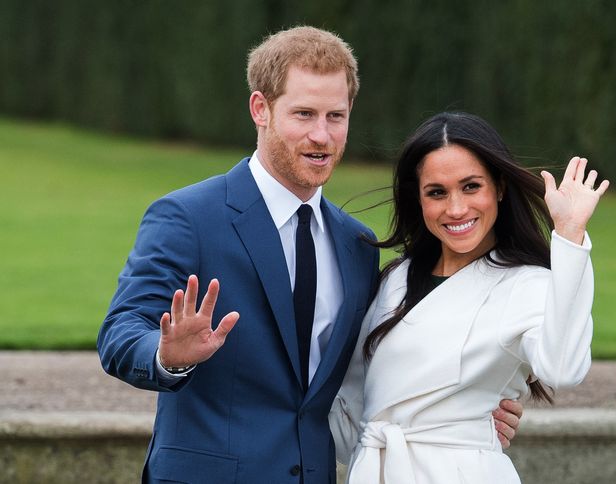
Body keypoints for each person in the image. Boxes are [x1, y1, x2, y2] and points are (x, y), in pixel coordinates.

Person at [97, 29, 522, 483]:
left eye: (335, 116)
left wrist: (459, 411)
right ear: (260, 109)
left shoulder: (357, 245)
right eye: (303, 114)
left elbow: (370, 372)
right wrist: (168, 356)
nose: (321, 135)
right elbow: (120, 332)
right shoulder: (187, 217)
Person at [330, 111, 610, 483]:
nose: (457, 208)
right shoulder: (395, 280)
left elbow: (562, 369)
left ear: (499, 187)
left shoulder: (527, 285)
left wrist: (570, 236)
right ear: (419, 199)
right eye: (437, 192)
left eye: (471, 186)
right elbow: (351, 404)